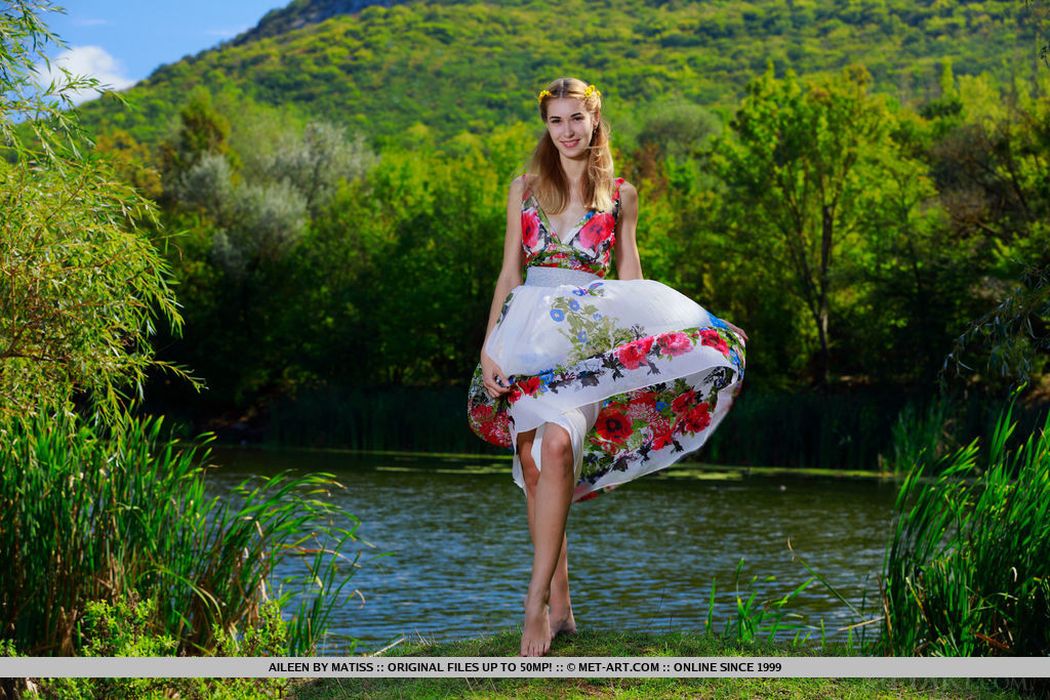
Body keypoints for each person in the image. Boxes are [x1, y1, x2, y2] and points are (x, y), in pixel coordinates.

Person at [466, 77, 748, 657]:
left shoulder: (621, 195)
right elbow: (509, 275)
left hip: (588, 344)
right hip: (523, 341)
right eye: (555, 121)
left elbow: (632, 282)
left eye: (576, 119)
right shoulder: (522, 188)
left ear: (595, 121)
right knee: (536, 463)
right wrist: (489, 347)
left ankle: (534, 606)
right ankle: (562, 607)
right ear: (546, 127)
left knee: (560, 446)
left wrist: (702, 329)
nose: (566, 131)